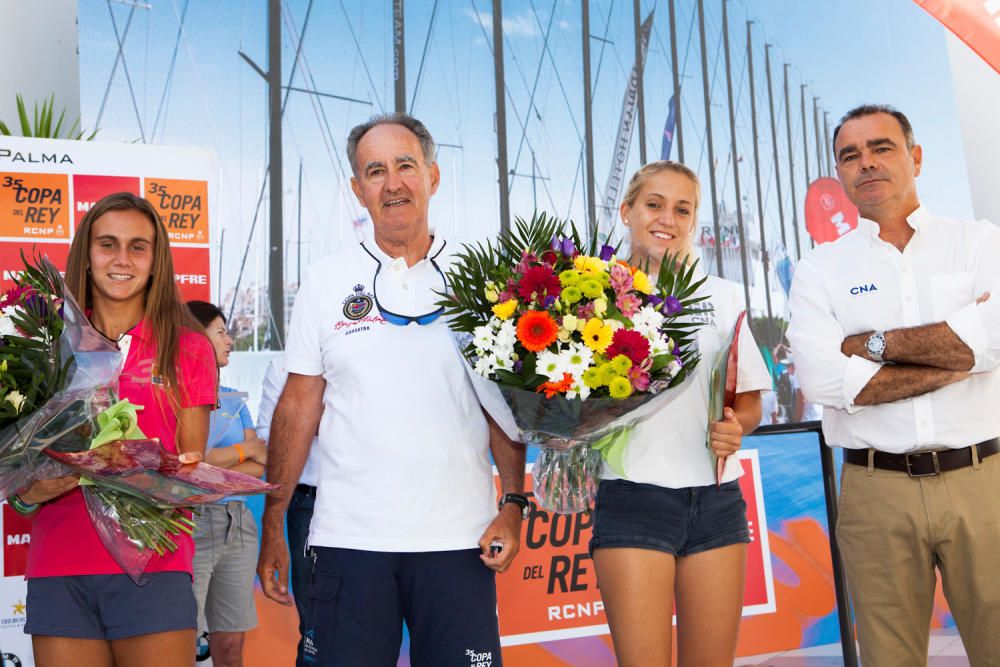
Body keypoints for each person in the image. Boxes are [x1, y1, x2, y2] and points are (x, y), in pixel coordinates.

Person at [256, 112, 527, 667]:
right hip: (348, 542)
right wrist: (274, 523)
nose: (393, 182)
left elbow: (504, 407)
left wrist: (514, 505)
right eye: (374, 171)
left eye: (406, 165)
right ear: (358, 190)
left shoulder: (487, 279)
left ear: (433, 176)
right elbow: (298, 406)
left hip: (460, 541)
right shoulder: (326, 280)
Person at [788, 104, 1000, 666]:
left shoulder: (980, 243)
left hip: (985, 482)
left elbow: (997, 341)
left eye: (881, 147)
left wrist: (871, 343)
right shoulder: (819, 270)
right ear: (841, 173)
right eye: (850, 155)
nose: (867, 163)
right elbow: (826, 379)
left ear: (916, 157)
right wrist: (962, 353)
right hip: (875, 490)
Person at [14, 192, 217, 667]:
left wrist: (125, 461)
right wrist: (36, 488)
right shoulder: (43, 349)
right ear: (86, 255)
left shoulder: (187, 347)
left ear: (156, 261)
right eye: (107, 244)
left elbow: (190, 475)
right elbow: (18, 490)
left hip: (154, 567)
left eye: (137, 246)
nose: (122, 259)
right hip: (58, 568)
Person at [590, 161, 771, 667]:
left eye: (682, 209)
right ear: (627, 211)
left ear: (693, 222)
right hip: (632, 496)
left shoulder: (724, 296)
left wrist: (737, 427)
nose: (667, 218)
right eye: (654, 204)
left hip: (716, 502)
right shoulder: (588, 297)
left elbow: (749, 399)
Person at [186, 300, 266, 667]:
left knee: (232, 645)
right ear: (194, 337)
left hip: (238, 523)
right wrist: (239, 450)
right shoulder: (178, 394)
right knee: (180, 641)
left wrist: (212, 465)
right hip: (191, 524)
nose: (230, 340)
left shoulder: (236, 399)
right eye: (220, 332)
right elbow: (187, 460)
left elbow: (259, 463)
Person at [255, 353, 321, 667]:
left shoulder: (370, 355)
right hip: (307, 505)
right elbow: (269, 435)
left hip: (372, 501)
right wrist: (302, 420)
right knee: (314, 625)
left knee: (373, 615)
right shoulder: (284, 365)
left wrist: (308, 420)